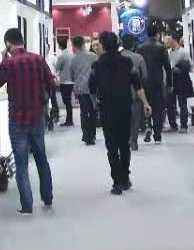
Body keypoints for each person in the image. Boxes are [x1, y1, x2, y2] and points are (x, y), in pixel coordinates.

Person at [0, 27, 56, 214]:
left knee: (21, 164)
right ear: (22, 41)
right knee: (41, 158)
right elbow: (51, 83)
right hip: (37, 118)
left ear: (8, 44)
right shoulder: (38, 59)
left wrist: (3, 59)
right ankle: (47, 197)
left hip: (17, 120)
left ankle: (27, 206)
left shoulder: (8, 63)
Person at [88, 31, 151, 195]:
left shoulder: (97, 65)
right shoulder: (127, 62)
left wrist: (95, 103)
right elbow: (137, 85)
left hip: (106, 108)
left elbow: (91, 88)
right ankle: (125, 178)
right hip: (124, 107)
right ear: (117, 44)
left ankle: (116, 182)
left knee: (111, 146)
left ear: (102, 46)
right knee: (124, 144)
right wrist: (145, 103)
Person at [136, 21, 170, 143]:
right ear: (157, 34)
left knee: (146, 105)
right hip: (157, 81)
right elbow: (167, 66)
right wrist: (170, 83)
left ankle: (148, 126)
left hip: (143, 82)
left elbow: (138, 66)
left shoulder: (140, 47)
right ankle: (157, 136)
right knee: (158, 108)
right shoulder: (161, 47)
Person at [64, 35, 98, 144]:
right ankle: (92, 135)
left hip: (80, 89)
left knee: (83, 112)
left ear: (74, 45)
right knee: (93, 111)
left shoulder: (73, 59)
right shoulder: (93, 56)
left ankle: (86, 135)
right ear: (84, 43)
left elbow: (71, 76)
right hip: (93, 88)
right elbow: (98, 72)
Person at [121, 36, 146, 151]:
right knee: (135, 118)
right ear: (133, 45)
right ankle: (133, 141)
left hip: (120, 92)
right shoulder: (139, 58)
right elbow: (145, 76)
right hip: (136, 91)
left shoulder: (117, 57)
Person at [169, 38, 194, 132]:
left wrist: (181, 69)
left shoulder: (184, 52)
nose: (167, 42)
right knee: (170, 103)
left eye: (169, 40)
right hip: (172, 79)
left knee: (182, 103)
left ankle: (184, 125)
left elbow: (190, 66)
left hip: (182, 79)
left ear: (174, 40)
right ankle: (173, 125)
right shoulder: (169, 52)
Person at [53, 37, 75, 127]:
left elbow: (57, 67)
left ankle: (69, 120)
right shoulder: (71, 54)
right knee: (68, 101)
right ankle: (69, 119)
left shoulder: (62, 56)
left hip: (65, 81)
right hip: (71, 81)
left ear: (59, 45)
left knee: (66, 101)